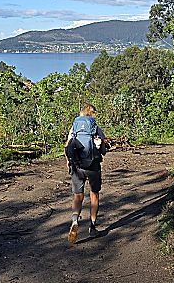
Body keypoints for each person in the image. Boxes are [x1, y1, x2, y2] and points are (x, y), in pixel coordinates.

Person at [65, 103, 105, 243]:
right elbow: (103, 151)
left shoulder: (74, 128)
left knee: (77, 197)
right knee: (94, 195)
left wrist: (69, 161)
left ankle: (75, 220)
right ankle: (92, 227)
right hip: (93, 166)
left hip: (77, 167)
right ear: (93, 114)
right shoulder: (96, 129)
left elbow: (67, 146)